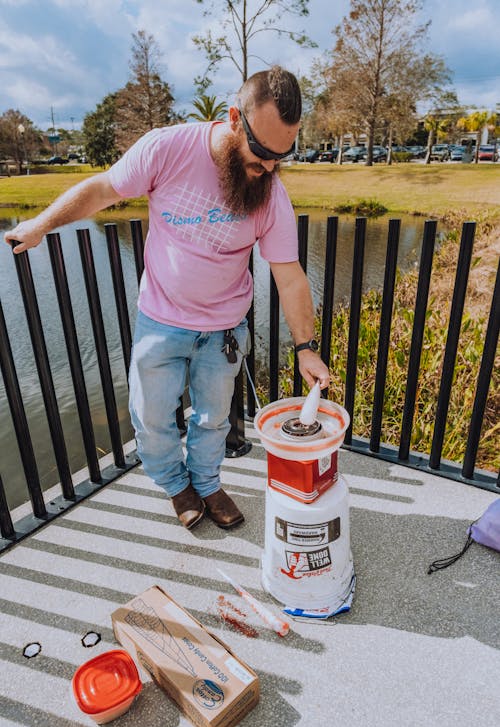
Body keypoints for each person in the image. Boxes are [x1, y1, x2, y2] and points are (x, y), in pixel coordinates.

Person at [4, 65, 330, 532]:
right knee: (151, 418)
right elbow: (102, 188)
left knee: (215, 420)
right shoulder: (168, 148)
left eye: (283, 155)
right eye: (260, 153)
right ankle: (177, 486)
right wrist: (41, 224)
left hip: (223, 332)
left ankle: (208, 482)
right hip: (161, 321)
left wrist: (305, 348)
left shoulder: (269, 193)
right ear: (234, 119)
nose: (270, 168)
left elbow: (290, 274)